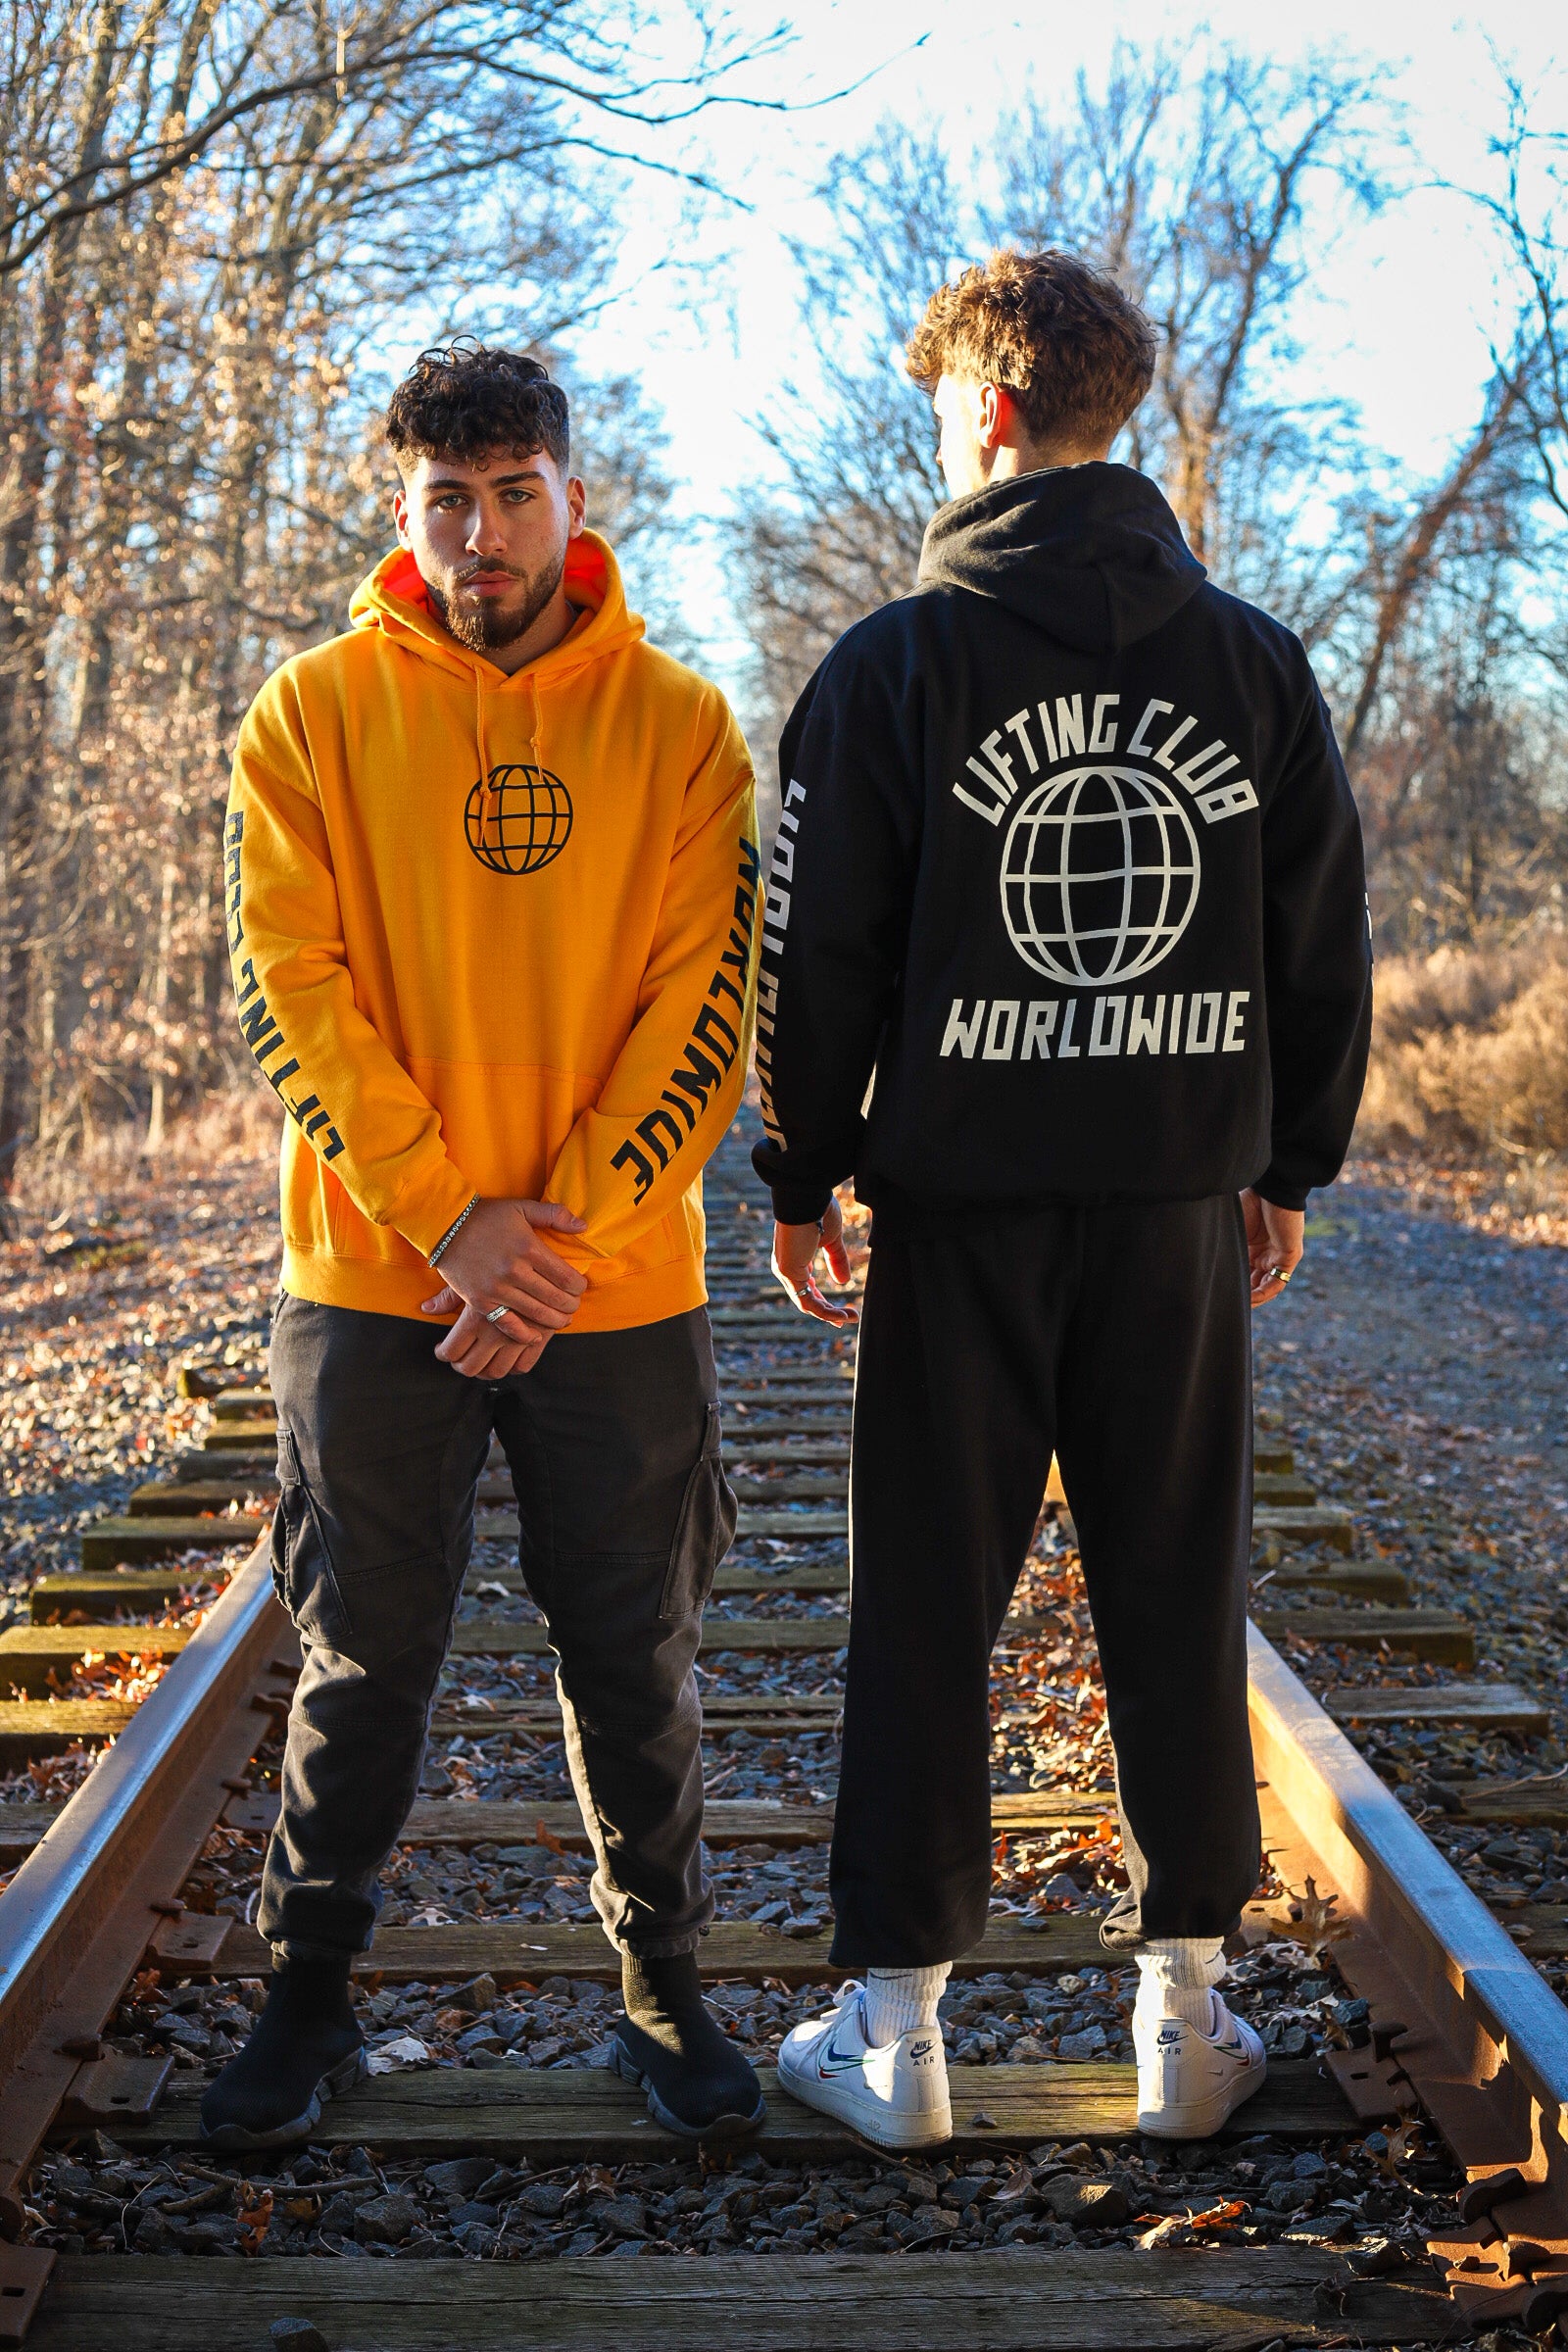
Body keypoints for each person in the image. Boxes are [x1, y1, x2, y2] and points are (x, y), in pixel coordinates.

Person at [751, 249, 1372, 2151]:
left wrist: (801, 1167)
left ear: (988, 411)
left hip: (959, 1222)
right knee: (1177, 1592)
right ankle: (1183, 2017)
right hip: (1177, 1217)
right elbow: (1319, 943)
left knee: (926, 1603)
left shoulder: (892, 667)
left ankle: (895, 2036)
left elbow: (814, 954)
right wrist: (1283, 1162)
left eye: (944, 411)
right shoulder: (1251, 664)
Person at [203, 341, 763, 2151]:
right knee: (361, 1653)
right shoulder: (306, 716)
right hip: (376, 1277)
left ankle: (665, 1990)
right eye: (449, 500)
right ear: (406, 508)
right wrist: (454, 1222)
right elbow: (289, 992)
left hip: (616, 1283)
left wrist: (551, 1244)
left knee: (634, 1651)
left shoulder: (681, 725)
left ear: (571, 499)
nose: (485, 534)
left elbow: (707, 1011)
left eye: (516, 493)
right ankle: (307, 2002)